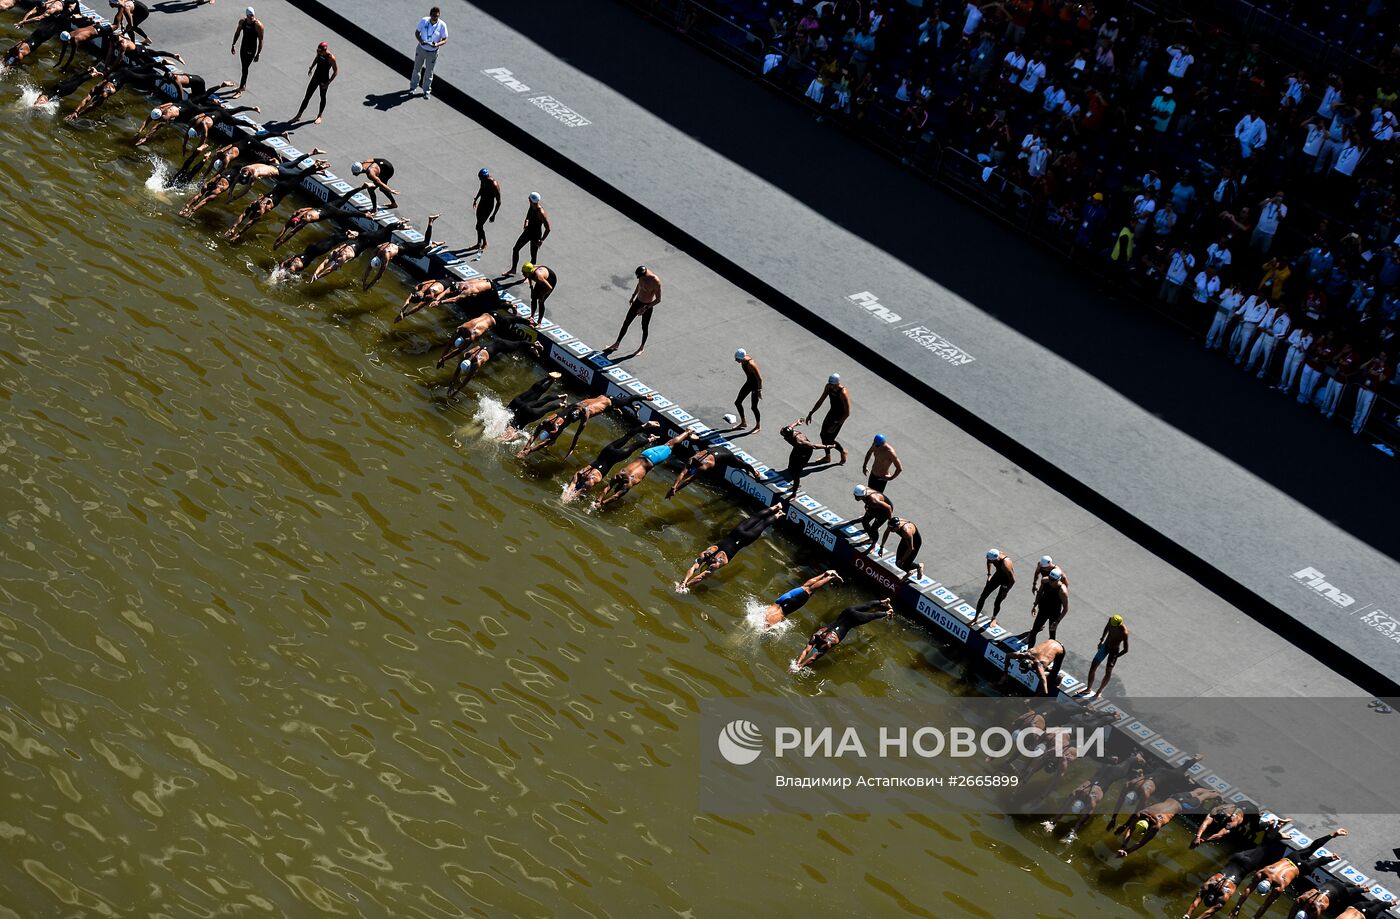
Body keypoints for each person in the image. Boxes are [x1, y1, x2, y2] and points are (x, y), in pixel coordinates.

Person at [1230, 828, 1348, 918]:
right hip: (1292, 858)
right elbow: (1247, 890)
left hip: (1300, 869)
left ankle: (1330, 858)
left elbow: (1264, 904)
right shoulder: (1262, 872)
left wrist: (1251, 915)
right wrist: (1238, 906)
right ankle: (1334, 834)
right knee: (1312, 847)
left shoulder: (1278, 886)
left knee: (1317, 862)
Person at [677, 500, 789, 592]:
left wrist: (686, 584)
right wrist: (684, 581)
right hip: (737, 532)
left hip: (746, 538)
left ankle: (778, 514)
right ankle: (776, 506)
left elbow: (700, 576)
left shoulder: (716, 564)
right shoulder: (707, 552)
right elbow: (693, 567)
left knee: (763, 524)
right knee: (755, 517)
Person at [563, 421, 661, 499]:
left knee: (633, 446)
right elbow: (574, 482)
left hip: (617, 456)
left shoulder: (592, 480)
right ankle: (644, 425)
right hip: (607, 451)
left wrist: (569, 496)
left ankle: (650, 439)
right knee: (626, 436)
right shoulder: (582, 472)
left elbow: (579, 489)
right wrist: (570, 490)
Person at [595, 431, 693, 509]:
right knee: (669, 443)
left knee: (671, 445)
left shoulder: (629, 483)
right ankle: (687, 433)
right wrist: (598, 500)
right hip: (645, 454)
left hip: (654, 459)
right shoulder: (620, 474)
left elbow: (616, 496)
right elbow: (607, 487)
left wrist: (602, 504)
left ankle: (688, 432)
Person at [1114, 788, 1219, 858]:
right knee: (1196, 792)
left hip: (1185, 805)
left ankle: (1218, 795)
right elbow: (1130, 829)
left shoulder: (1156, 825)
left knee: (1204, 797)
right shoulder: (1142, 813)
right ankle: (1211, 790)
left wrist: (1127, 850)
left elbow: (1141, 842)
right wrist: (1123, 845)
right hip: (1175, 797)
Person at [792, 599, 894, 668]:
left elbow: (812, 658)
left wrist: (800, 666)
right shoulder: (817, 635)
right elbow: (806, 652)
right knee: (866, 606)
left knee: (873, 616)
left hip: (855, 619)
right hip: (848, 612)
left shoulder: (826, 642)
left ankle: (888, 612)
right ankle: (884, 601)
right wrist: (798, 663)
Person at [446, 335, 544, 398]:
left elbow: (467, 379)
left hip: (501, 345)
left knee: (516, 345)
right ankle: (532, 348)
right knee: (516, 345)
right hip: (492, 343)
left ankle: (534, 345)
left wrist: (457, 390)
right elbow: (458, 369)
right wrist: (452, 383)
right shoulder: (468, 354)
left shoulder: (477, 363)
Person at [362, 214, 439, 290]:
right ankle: (433, 245)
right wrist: (364, 281)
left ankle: (430, 221)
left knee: (426, 243)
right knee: (420, 256)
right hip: (402, 249)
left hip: (407, 248)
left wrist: (369, 286)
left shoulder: (386, 256)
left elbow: (379, 274)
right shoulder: (378, 249)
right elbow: (369, 267)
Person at [603, 266, 663, 357]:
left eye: (641, 277)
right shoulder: (641, 277)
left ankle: (641, 347)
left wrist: (645, 308)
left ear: (645, 274)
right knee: (626, 322)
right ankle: (617, 344)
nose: (640, 279)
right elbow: (639, 285)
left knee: (644, 327)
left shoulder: (655, 281)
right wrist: (633, 296)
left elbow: (658, 299)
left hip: (647, 306)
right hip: (637, 302)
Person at [665, 443, 759, 498]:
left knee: (742, 465)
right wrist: (673, 487)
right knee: (738, 461)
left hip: (727, 456)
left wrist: (676, 490)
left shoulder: (705, 466)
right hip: (718, 448)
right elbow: (682, 473)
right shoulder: (693, 458)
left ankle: (755, 473)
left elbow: (689, 480)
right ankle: (738, 459)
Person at [760, 570, 841, 628]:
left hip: (786, 604)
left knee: (810, 590)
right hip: (781, 599)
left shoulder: (770, 619)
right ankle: (825, 574)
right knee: (805, 586)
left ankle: (830, 577)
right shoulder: (767, 616)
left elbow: (771, 624)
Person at [778, 422, 843, 493]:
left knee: (796, 471)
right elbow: (791, 426)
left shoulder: (800, 441)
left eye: (785, 436)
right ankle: (794, 472)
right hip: (797, 449)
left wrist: (827, 446)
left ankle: (795, 486)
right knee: (790, 466)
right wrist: (797, 422)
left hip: (805, 452)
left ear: (789, 436)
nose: (783, 436)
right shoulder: (787, 431)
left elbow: (814, 446)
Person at [501, 372, 566, 440]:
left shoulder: (512, 427)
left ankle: (552, 381)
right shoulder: (508, 421)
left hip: (523, 409)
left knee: (539, 396)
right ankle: (549, 378)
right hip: (518, 405)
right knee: (533, 391)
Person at [802, 374, 851, 462]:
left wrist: (836, 425)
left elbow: (847, 413)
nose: (831, 386)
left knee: (830, 439)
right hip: (832, 413)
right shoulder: (828, 387)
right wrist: (811, 413)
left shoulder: (843, 393)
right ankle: (827, 457)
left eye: (833, 384)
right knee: (823, 435)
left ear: (837, 383)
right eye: (830, 383)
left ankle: (842, 451)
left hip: (839, 417)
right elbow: (821, 400)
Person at [1079, 614, 1128, 699]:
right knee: (1093, 666)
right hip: (1105, 646)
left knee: (1108, 671)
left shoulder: (1124, 633)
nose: (1112, 626)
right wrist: (1102, 639)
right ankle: (1088, 688)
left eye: (1114, 625)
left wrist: (1117, 656)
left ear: (1119, 624)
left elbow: (1126, 649)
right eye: (1111, 624)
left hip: (1114, 651)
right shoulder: (1110, 620)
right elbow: (1106, 628)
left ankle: (1099, 691)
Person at [292, 41, 337, 124]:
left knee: (322, 97)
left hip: (324, 80)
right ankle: (298, 115)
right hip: (315, 77)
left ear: (325, 50)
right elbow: (317, 58)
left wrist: (328, 82)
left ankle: (319, 116)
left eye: (320, 51)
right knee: (307, 96)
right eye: (318, 51)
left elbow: (336, 71)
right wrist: (311, 67)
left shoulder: (331, 58)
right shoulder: (319, 53)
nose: (319, 53)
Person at [507, 192, 549, 275]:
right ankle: (513, 269)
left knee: (533, 256)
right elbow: (528, 216)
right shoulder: (532, 206)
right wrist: (526, 222)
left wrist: (541, 240)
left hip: (536, 235)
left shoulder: (541, 213)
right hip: (528, 232)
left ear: (531, 200)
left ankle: (529, 275)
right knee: (515, 249)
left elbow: (548, 228)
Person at [409, 6, 448, 97]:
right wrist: (421, 41)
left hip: (433, 52)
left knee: (429, 72)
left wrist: (437, 44)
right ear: (430, 15)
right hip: (421, 49)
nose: (435, 18)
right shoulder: (424, 21)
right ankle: (413, 88)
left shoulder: (442, 25)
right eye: (434, 16)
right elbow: (417, 33)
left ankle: (426, 91)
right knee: (416, 69)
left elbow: (445, 39)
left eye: (437, 16)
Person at [1022, 567, 1068, 644]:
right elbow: (1039, 593)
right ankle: (1028, 651)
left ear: (1058, 579)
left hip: (1054, 613)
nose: (1050, 581)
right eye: (1050, 578)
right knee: (1034, 632)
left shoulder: (1062, 591)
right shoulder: (1045, 581)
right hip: (1043, 610)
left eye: (1053, 580)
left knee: (1052, 637)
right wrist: (1035, 605)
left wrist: (1057, 621)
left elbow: (1065, 608)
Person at [974, 548, 1015, 627]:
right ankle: (976, 618)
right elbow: (988, 561)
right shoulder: (992, 556)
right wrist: (989, 575)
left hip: (1006, 581)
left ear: (996, 559)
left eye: (992, 561)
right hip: (997, 576)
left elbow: (1012, 580)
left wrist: (1006, 591)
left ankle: (994, 618)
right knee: (982, 597)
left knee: (997, 601)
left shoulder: (1006, 564)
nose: (990, 562)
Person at [230, 7, 263, 96]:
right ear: (246, 15)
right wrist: (233, 44)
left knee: (245, 68)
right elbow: (237, 33)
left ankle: (240, 89)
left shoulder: (258, 25)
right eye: (249, 16)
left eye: (252, 15)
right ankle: (243, 85)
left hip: (251, 49)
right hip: (243, 47)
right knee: (243, 67)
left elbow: (261, 40)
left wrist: (258, 54)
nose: (251, 17)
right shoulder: (242, 22)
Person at [879, 516, 924, 582]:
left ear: (897, 527)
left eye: (892, 529)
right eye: (890, 528)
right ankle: (909, 572)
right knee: (898, 563)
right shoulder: (892, 524)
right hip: (905, 540)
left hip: (915, 543)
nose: (890, 531)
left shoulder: (906, 531)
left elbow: (910, 548)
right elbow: (886, 533)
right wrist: (881, 547)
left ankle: (919, 566)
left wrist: (902, 560)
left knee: (904, 563)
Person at [851, 484, 893, 551]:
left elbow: (888, 507)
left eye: (857, 497)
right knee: (864, 521)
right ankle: (871, 538)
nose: (855, 498)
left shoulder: (873, 501)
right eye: (855, 495)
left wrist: (890, 520)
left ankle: (873, 544)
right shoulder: (863, 492)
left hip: (883, 512)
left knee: (874, 529)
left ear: (862, 495)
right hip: (874, 508)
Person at [732, 349, 763, 432]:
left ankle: (758, 426)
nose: (736, 361)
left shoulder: (751, 364)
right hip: (749, 383)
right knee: (737, 402)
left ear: (741, 358)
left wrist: (759, 390)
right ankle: (743, 422)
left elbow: (759, 378)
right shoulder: (744, 359)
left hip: (755, 387)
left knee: (754, 407)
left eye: (737, 359)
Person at [472, 167, 501, 253]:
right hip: (482, 203)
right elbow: (481, 189)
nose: (479, 179)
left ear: (485, 177)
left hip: (488, 206)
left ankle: (484, 242)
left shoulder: (494, 185)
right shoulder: (483, 181)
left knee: (478, 226)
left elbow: (499, 202)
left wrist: (493, 215)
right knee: (479, 224)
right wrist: (476, 199)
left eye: (480, 178)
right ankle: (479, 243)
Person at [520, 262, 556, 326]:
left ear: (529, 272)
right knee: (534, 297)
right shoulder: (530, 272)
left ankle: (539, 322)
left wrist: (543, 295)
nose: (523, 274)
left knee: (541, 301)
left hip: (550, 281)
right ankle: (532, 316)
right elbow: (529, 277)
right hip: (542, 276)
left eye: (524, 273)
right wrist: (531, 288)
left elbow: (549, 287)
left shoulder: (538, 277)